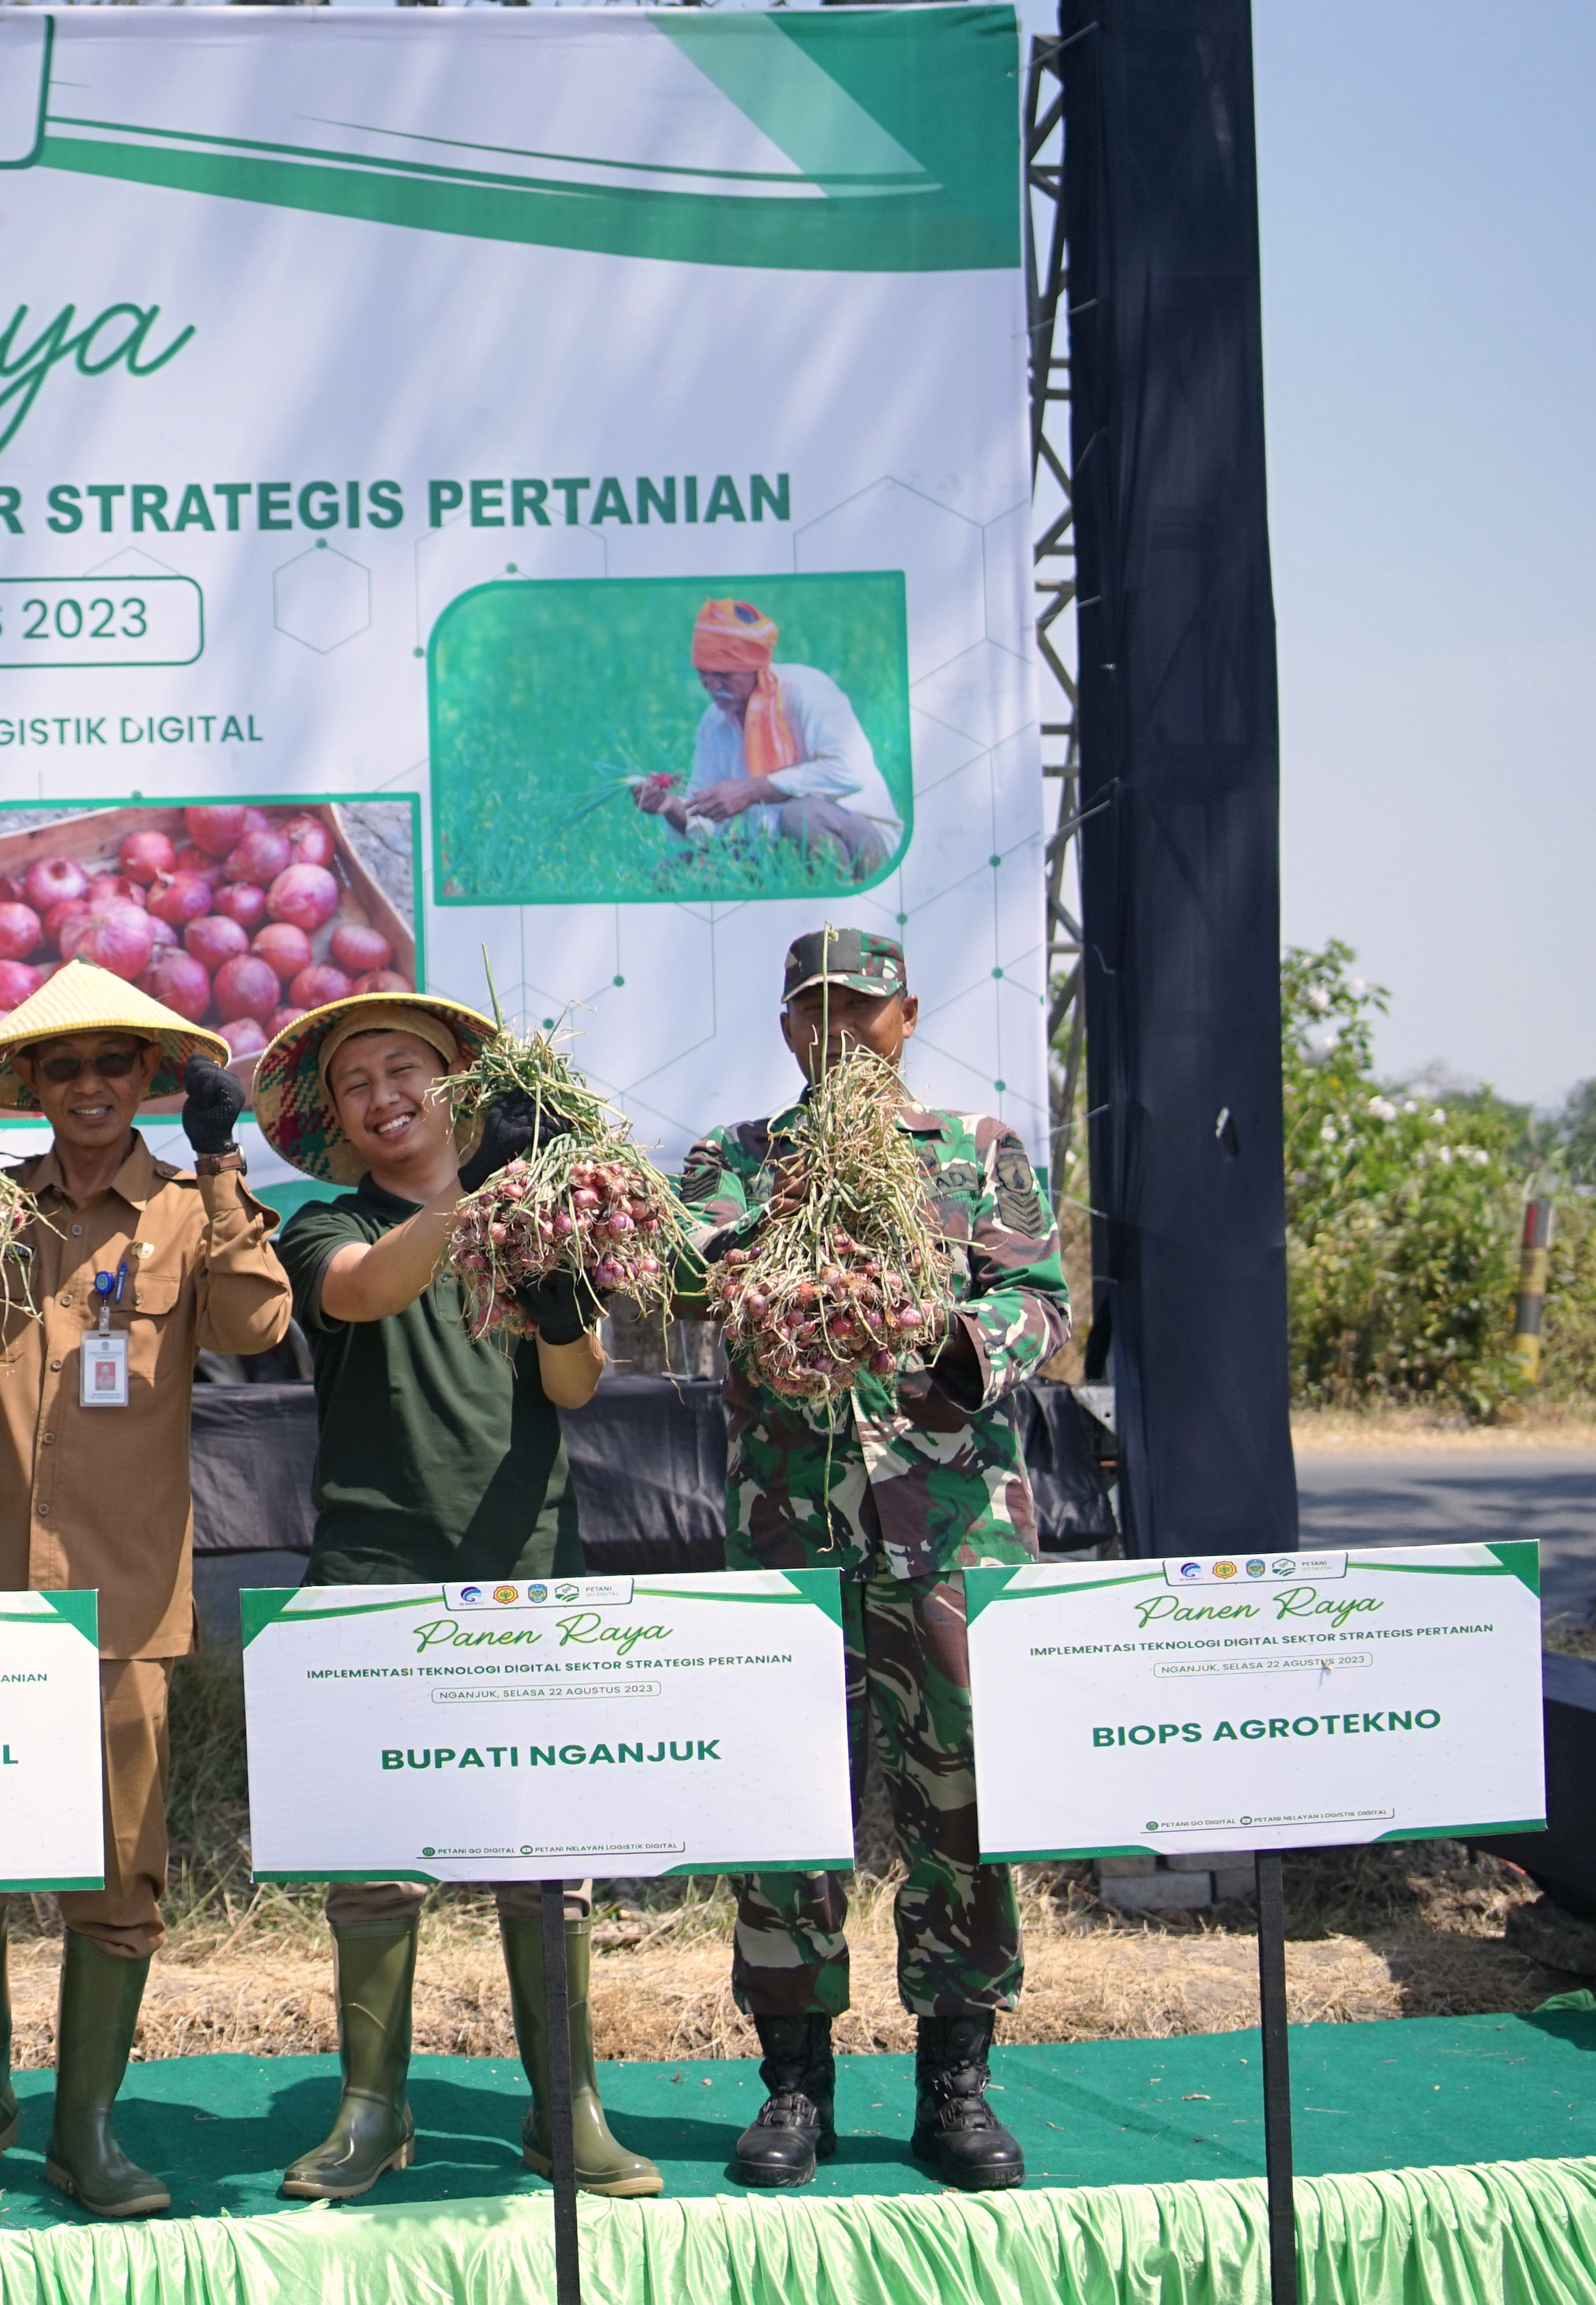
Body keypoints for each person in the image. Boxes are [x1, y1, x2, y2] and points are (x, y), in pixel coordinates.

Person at [0, 960, 290, 2222]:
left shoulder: (182, 1207)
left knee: (118, 1868)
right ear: (33, 1088)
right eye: (65, 1068)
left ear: (148, 1082)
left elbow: (256, 1324)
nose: (92, 1087)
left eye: (115, 1065)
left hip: (122, 1593)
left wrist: (222, 1168)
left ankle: (86, 2128)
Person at [247, 991, 663, 2203]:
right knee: (373, 1860)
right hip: (372, 1576)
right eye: (355, 1086)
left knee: (544, 1857)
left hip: (526, 1570)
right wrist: (486, 1190)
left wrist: (547, 1275)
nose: (384, 1098)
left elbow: (577, 1384)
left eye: (405, 1071)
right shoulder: (322, 1222)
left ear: (456, 1088)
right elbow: (367, 1290)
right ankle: (372, 2109)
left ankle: (562, 2107)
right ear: (334, 1121)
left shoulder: (533, 1225)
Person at [678, 927, 1068, 2192]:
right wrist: (770, 1244)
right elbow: (683, 1281)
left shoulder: (978, 1152)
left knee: (964, 1801)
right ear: (788, 1027)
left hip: (951, 1525)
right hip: (789, 1531)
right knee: (787, 1807)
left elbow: (1042, 1301)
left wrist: (950, 1333)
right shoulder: (735, 1160)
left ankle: (956, 2076)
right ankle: (794, 2082)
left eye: (862, 1008)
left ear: (904, 1017)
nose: (838, 1030)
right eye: (814, 1011)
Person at [636, 598, 903, 877]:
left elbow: (849, 772)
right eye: (703, 673)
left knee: (799, 817)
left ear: (755, 666)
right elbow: (706, 826)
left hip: (862, 842)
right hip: (775, 847)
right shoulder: (714, 723)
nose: (713, 687)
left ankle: (833, 902)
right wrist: (669, 807)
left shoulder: (807, 691)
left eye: (725, 675)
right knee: (673, 874)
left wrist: (752, 790)